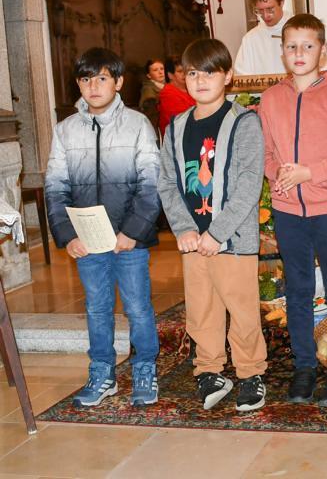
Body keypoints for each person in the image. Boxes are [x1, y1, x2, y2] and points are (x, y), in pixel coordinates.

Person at [45, 47, 161, 407]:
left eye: (102, 78)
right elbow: (55, 187)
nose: (93, 86)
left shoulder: (138, 125)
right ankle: (102, 372)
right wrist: (68, 235)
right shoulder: (65, 131)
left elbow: (151, 185)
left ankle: (144, 367)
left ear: (118, 82)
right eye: (86, 79)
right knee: (96, 307)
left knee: (137, 307)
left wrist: (132, 232)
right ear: (78, 84)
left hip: (130, 239)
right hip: (88, 239)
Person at [157, 38, 268, 412]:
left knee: (242, 308)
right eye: (192, 73)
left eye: (209, 72)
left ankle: (250, 373)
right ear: (183, 79)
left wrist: (217, 232)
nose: (201, 80)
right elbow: (167, 181)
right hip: (193, 239)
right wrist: (185, 229)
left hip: (232, 239)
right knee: (201, 308)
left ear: (228, 76)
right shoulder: (176, 127)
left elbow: (250, 182)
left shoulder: (244, 122)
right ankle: (209, 371)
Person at [259, 13, 327, 407]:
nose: (299, 53)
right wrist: (279, 175)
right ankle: (304, 366)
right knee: (298, 290)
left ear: (323, 50)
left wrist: (309, 173)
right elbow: (267, 153)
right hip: (288, 210)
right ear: (282, 52)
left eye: (307, 45)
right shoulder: (271, 99)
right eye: (291, 46)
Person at [234, 0, 290, 76]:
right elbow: (241, 77)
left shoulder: (301, 30)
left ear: (282, 1)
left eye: (270, 9)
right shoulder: (250, 39)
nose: (265, 15)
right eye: (260, 10)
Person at [158, 55, 195, 136]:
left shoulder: (191, 88)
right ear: (170, 75)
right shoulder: (167, 94)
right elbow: (182, 121)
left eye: (186, 70)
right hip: (177, 136)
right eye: (180, 71)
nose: (184, 74)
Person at [139, 58, 166, 129]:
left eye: (162, 69)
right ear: (149, 75)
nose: (160, 72)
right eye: (155, 70)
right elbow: (151, 113)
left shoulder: (171, 84)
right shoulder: (147, 89)